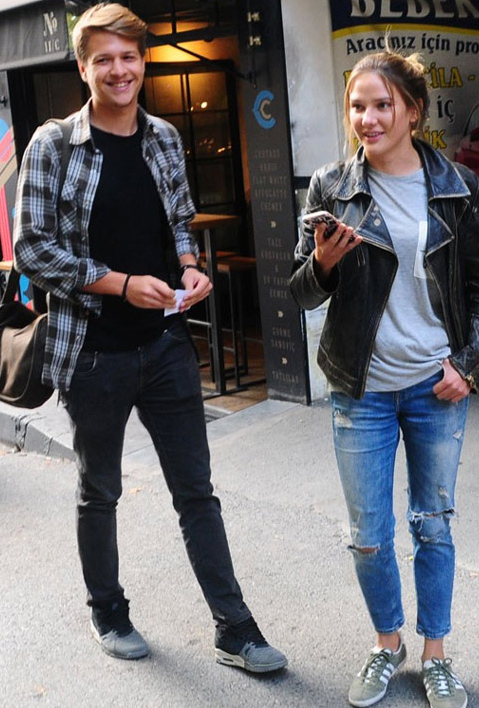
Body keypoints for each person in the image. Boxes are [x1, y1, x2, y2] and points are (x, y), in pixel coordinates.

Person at [13, 2, 287, 674]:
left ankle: (235, 629)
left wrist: (189, 267)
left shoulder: (162, 136)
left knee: (196, 492)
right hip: (91, 352)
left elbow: (180, 218)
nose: (119, 70)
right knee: (99, 492)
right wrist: (120, 283)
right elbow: (31, 249)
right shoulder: (52, 144)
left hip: (165, 347)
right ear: (83, 68)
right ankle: (107, 611)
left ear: (143, 62)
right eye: (103, 59)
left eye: (129, 57)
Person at [290, 48, 479, 708]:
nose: (366, 118)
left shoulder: (458, 186)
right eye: (356, 106)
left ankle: (435, 655)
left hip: (435, 386)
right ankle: (386, 643)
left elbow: (476, 287)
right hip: (360, 386)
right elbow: (300, 292)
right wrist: (322, 263)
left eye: (381, 105)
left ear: (414, 111)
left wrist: (468, 366)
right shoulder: (331, 186)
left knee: (433, 526)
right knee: (368, 536)